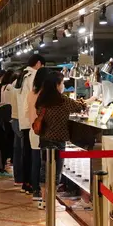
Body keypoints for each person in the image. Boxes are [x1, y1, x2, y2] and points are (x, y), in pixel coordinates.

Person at [35, 71, 87, 210]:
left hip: (44, 138)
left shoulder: (42, 99)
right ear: (57, 84)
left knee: (44, 169)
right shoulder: (62, 100)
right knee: (56, 172)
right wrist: (86, 102)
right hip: (58, 140)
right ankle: (51, 201)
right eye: (62, 83)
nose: (63, 85)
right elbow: (79, 108)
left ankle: (43, 200)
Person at [15, 54, 46, 194]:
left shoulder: (22, 75)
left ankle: (25, 183)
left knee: (26, 152)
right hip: (32, 120)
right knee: (32, 154)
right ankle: (32, 184)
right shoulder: (33, 75)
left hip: (24, 119)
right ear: (38, 63)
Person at [27, 68, 50, 201]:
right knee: (42, 163)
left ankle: (35, 189)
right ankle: (40, 191)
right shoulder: (45, 95)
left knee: (35, 161)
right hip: (43, 131)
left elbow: (27, 111)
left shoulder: (31, 93)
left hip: (33, 129)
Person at [7, 72, 23, 186]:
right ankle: (23, 179)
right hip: (21, 120)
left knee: (17, 150)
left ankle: (18, 178)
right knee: (22, 151)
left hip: (15, 118)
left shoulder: (13, 86)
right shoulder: (21, 87)